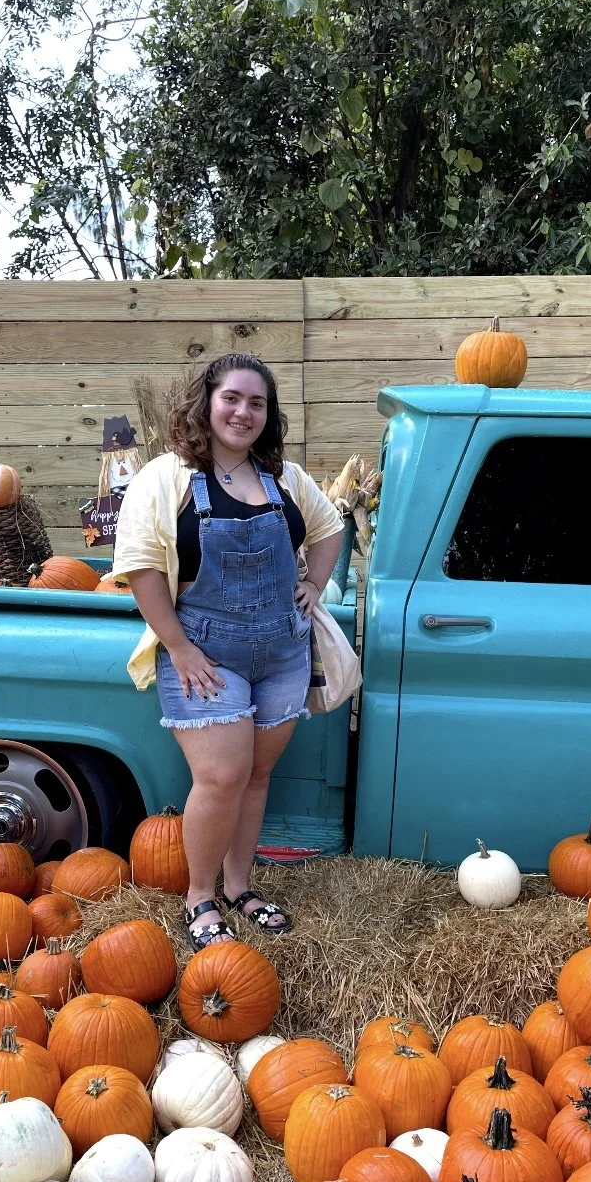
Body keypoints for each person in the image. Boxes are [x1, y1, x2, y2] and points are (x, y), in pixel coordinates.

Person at [113, 352, 345, 948]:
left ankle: (240, 887)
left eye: (257, 403)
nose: (243, 412)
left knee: (257, 774)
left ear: (269, 415)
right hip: (205, 653)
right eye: (232, 398)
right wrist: (180, 649)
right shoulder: (164, 478)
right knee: (220, 776)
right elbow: (140, 568)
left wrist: (314, 584)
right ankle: (200, 897)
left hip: (282, 652)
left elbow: (329, 530)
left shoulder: (286, 479)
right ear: (206, 403)